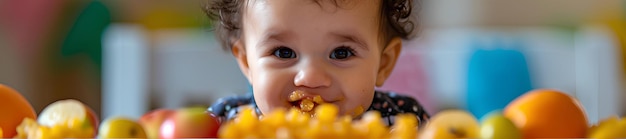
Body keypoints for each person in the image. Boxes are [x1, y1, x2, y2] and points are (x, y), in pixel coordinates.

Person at [203, 0, 429, 126]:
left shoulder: (403, 121)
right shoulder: (226, 122)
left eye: (341, 53)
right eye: (283, 52)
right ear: (246, 62)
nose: (310, 77)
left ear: (383, 64)